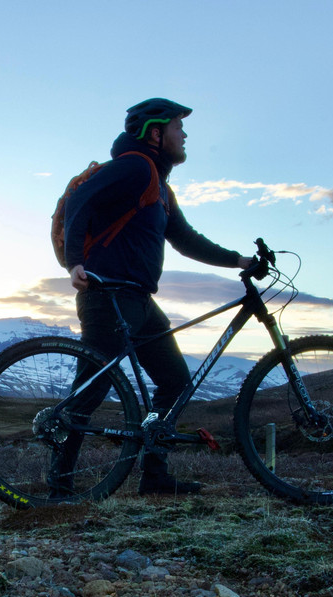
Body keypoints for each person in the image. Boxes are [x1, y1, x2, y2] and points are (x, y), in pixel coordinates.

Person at [56, 98, 259, 496]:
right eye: (178, 128)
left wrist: (239, 260)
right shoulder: (135, 166)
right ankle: (58, 485)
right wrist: (75, 261)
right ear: (154, 132)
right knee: (92, 387)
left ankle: (155, 477)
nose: (184, 135)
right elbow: (81, 201)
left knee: (174, 381)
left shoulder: (160, 188)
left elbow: (185, 240)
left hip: (140, 301)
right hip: (108, 294)